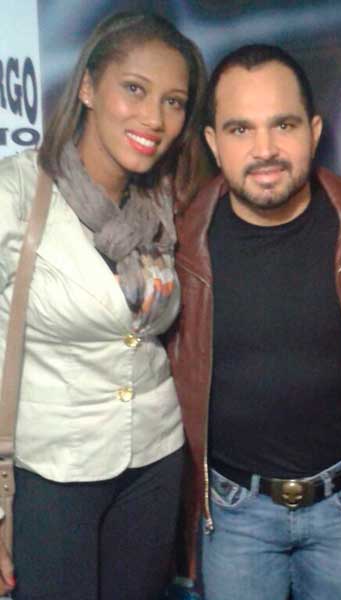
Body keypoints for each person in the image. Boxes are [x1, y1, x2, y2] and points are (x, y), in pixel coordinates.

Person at [167, 44, 341, 600]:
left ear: (314, 130)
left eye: (283, 124)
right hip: (234, 513)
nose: (265, 150)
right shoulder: (179, 243)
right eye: (240, 129)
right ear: (213, 142)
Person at [0, 11, 207, 599]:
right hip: (52, 471)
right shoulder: (17, 191)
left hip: (155, 461)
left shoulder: (170, 201)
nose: (154, 118)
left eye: (173, 101)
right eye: (134, 89)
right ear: (88, 87)